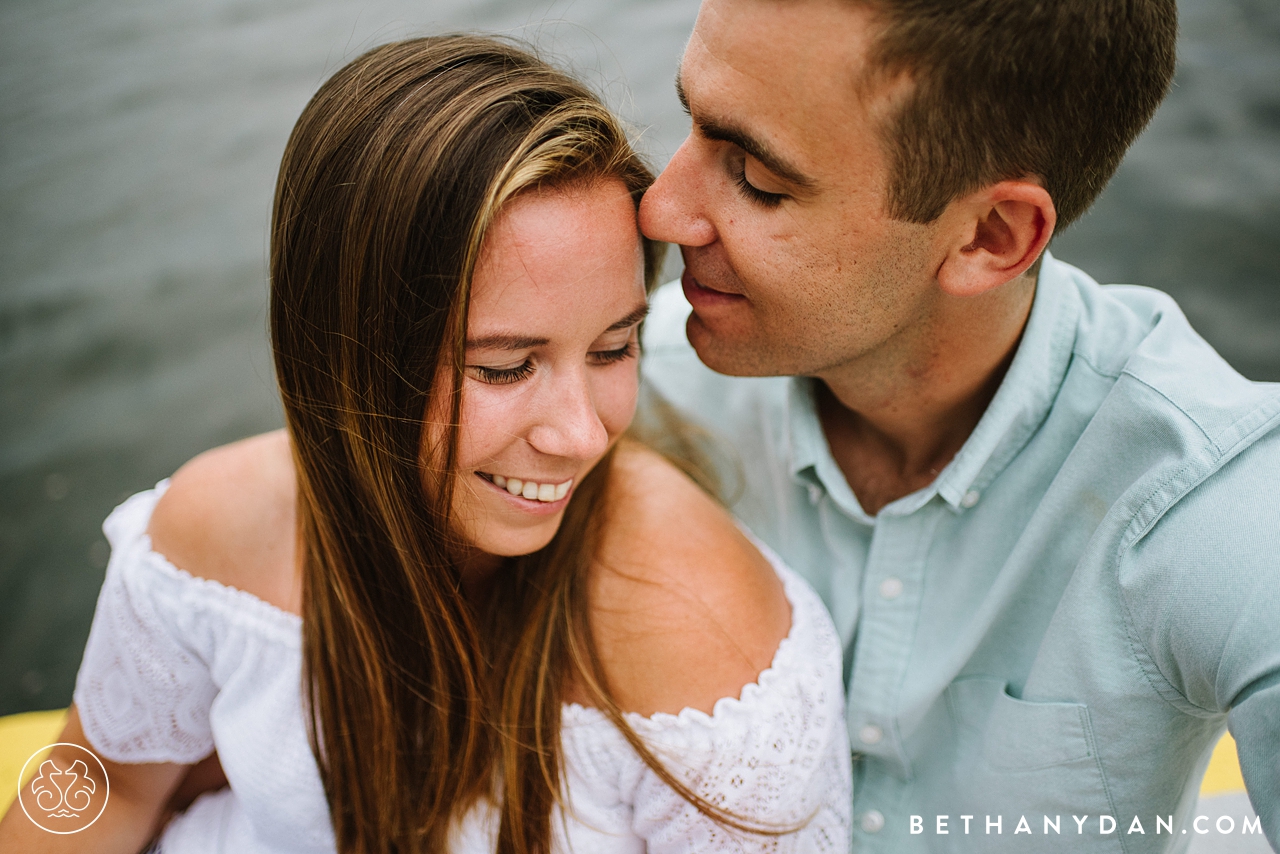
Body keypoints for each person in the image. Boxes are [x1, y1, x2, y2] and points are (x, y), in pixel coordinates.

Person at [0, 35, 852, 853]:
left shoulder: (703, 645)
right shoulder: (208, 534)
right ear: (345, 352)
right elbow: (100, 785)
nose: (582, 434)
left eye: (612, 348)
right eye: (507, 367)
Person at [637, 0, 1280, 851]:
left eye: (758, 178)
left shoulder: (1206, 500)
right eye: (690, 122)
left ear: (990, 235)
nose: (659, 211)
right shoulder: (618, 387)